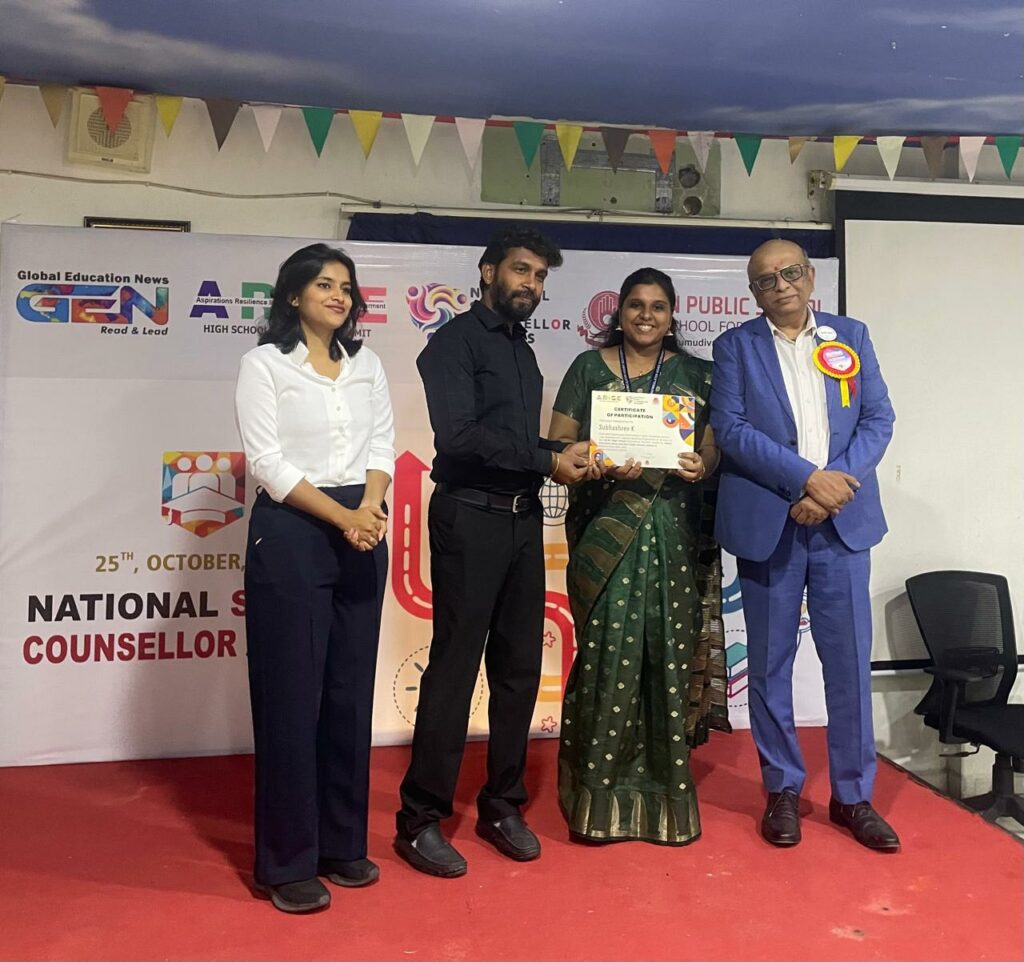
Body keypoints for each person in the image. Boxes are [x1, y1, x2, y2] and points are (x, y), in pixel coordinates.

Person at [395, 227, 592, 877]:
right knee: (454, 669)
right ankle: (419, 819)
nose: (531, 284)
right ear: (488, 272)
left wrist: (561, 455)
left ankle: (502, 805)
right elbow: (459, 437)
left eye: (540, 276)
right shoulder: (452, 343)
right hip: (469, 518)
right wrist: (547, 459)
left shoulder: (520, 349)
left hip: (522, 520)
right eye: (521, 270)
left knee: (518, 669)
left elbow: (517, 441)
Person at [710, 239, 899, 851]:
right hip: (773, 523)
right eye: (766, 280)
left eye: (790, 273)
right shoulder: (735, 347)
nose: (781, 285)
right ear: (754, 292)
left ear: (810, 277)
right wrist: (804, 480)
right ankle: (783, 790)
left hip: (842, 524)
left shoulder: (852, 336)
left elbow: (878, 420)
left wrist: (831, 487)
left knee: (849, 664)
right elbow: (731, 429)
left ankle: (853, 796)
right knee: (769, 664)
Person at [234, 243, 395, 912]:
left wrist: (370, 509)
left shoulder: (367, 364)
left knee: (349, 695)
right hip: (295, 529)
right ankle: (287, 861)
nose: (339, 295)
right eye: (325, 284)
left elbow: (382, 445)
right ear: (293, 295)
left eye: (346, 287)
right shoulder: (264, 365)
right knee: (291, 698)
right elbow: (267, 462)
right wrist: (343, 516)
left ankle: (340, 843)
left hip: (363, 524)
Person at [548, 267, 730, 845]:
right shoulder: (588, 368)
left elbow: (712, 447)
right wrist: (593, 461)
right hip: (605, 531)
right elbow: (559, 446)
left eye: (657, 306)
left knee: (666, 655)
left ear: (672, 315)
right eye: (635, 305)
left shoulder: (698, 375)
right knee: (607, 653)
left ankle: (663, 796)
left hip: (674, 532)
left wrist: (702, 464)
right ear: (619, 312)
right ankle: (596, 795)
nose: (645, 315)